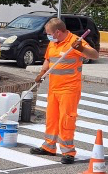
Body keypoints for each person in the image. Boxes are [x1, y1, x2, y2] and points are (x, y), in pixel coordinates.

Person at [30, 18, 99, 164]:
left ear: (57, 32)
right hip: (54, 88)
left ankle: (68, 152)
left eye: (48, 33)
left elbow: (94, 55)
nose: (46, 35)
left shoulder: (75, 41)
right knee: (52, 118)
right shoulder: (53, 42)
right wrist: (42, 73)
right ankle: (49, 147)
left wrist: (80, 48)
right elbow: (48, 59)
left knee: (66, 119)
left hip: (69, 89)